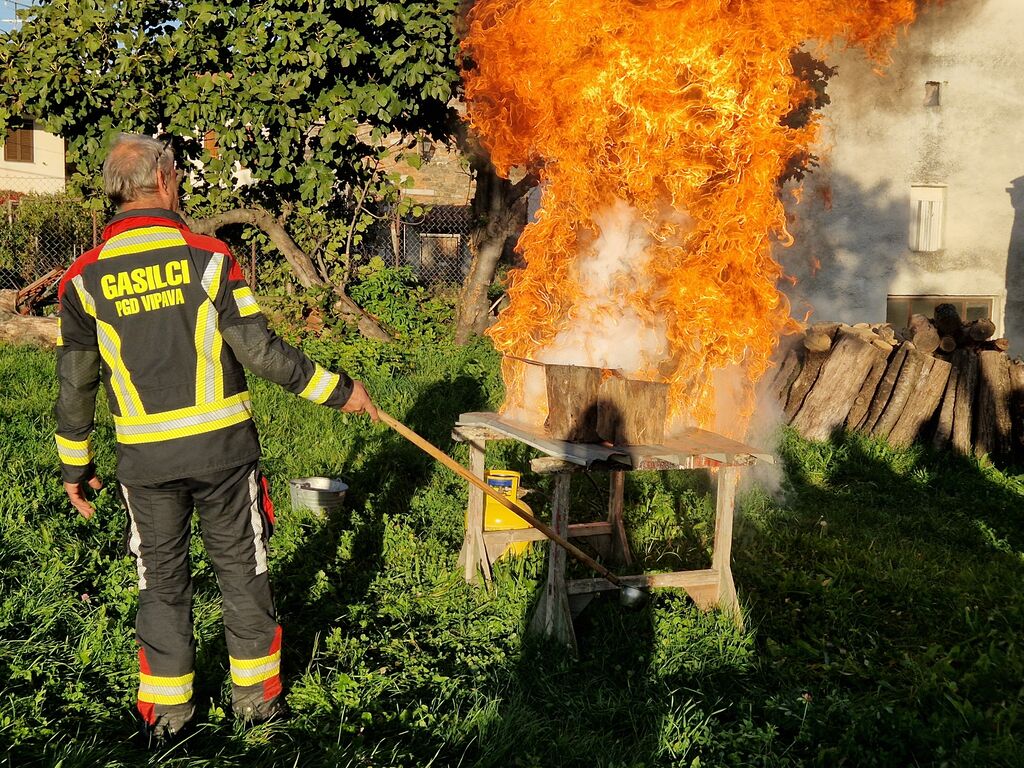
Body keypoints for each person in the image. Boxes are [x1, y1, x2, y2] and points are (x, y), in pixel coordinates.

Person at [54, 133, 378, 741]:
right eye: (177, 177)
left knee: (160, 582)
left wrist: (76, 466)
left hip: (145, 464)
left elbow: (76, 383)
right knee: (242, 572)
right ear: (165, 179)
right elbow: (259, 351)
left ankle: (169, 719)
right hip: (224, 457)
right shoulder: (209, 256)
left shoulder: (82, 278)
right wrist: (339, 391)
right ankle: (256, 706)